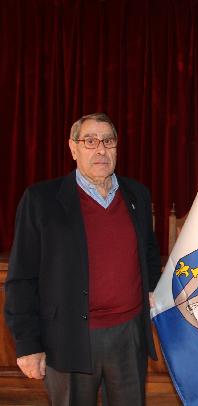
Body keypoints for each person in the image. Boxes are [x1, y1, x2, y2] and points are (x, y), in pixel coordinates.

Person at [4, 113, 161, 405]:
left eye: (108, 141)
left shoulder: (137, 194)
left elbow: (149, 252)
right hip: (69, 337)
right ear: (73, 148)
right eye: (90, 141)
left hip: (129, 337)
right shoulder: (41, 200)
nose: (100, 149)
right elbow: (21, 278)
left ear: (116, 148)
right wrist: (27, 345)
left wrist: (150, 286)